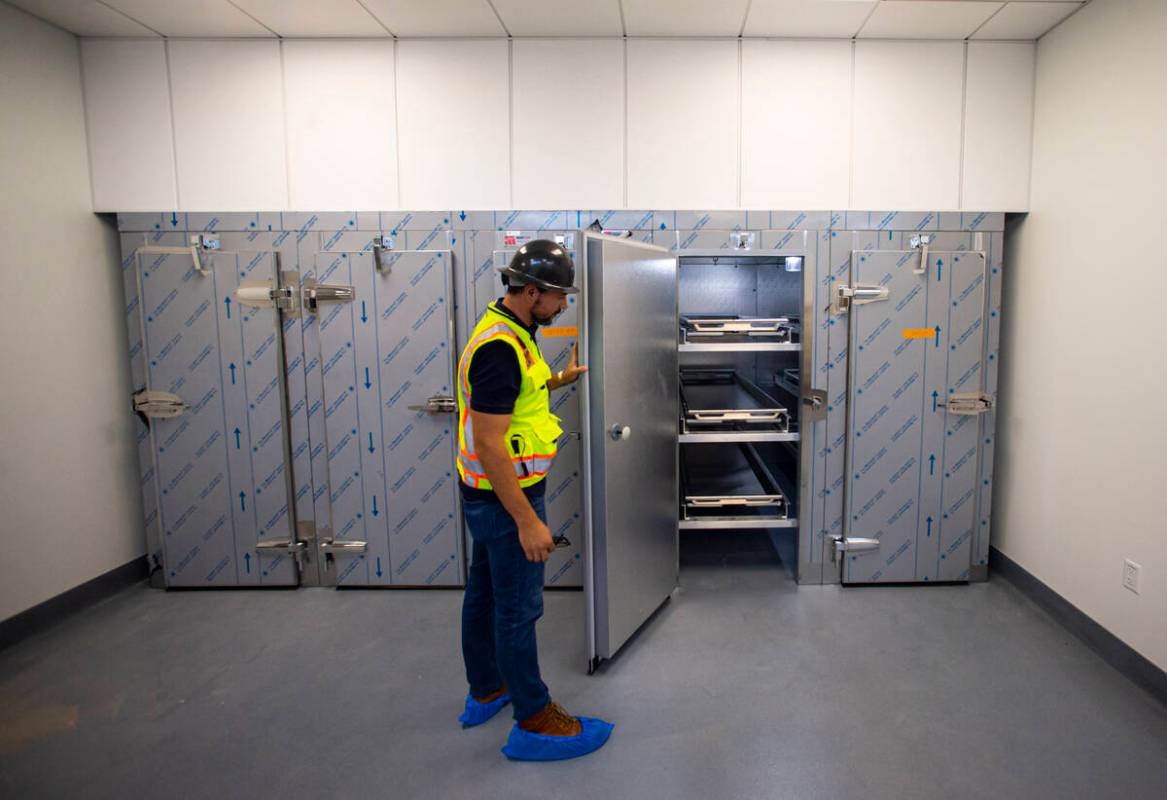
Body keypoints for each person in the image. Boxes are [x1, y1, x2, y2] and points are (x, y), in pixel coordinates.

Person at [455, 240, 613, 761]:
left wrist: (556, 379)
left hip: (486, 497)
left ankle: (488, 689)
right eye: (558, 297)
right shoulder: (500, 348)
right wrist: (526, 521)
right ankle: (534, 718)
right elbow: (490, 443)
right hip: (507, 500)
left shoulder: (512, 331)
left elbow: (516, 397)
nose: (564, 305)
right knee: (519, 610)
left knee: (485, 596)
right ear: (529, 292)